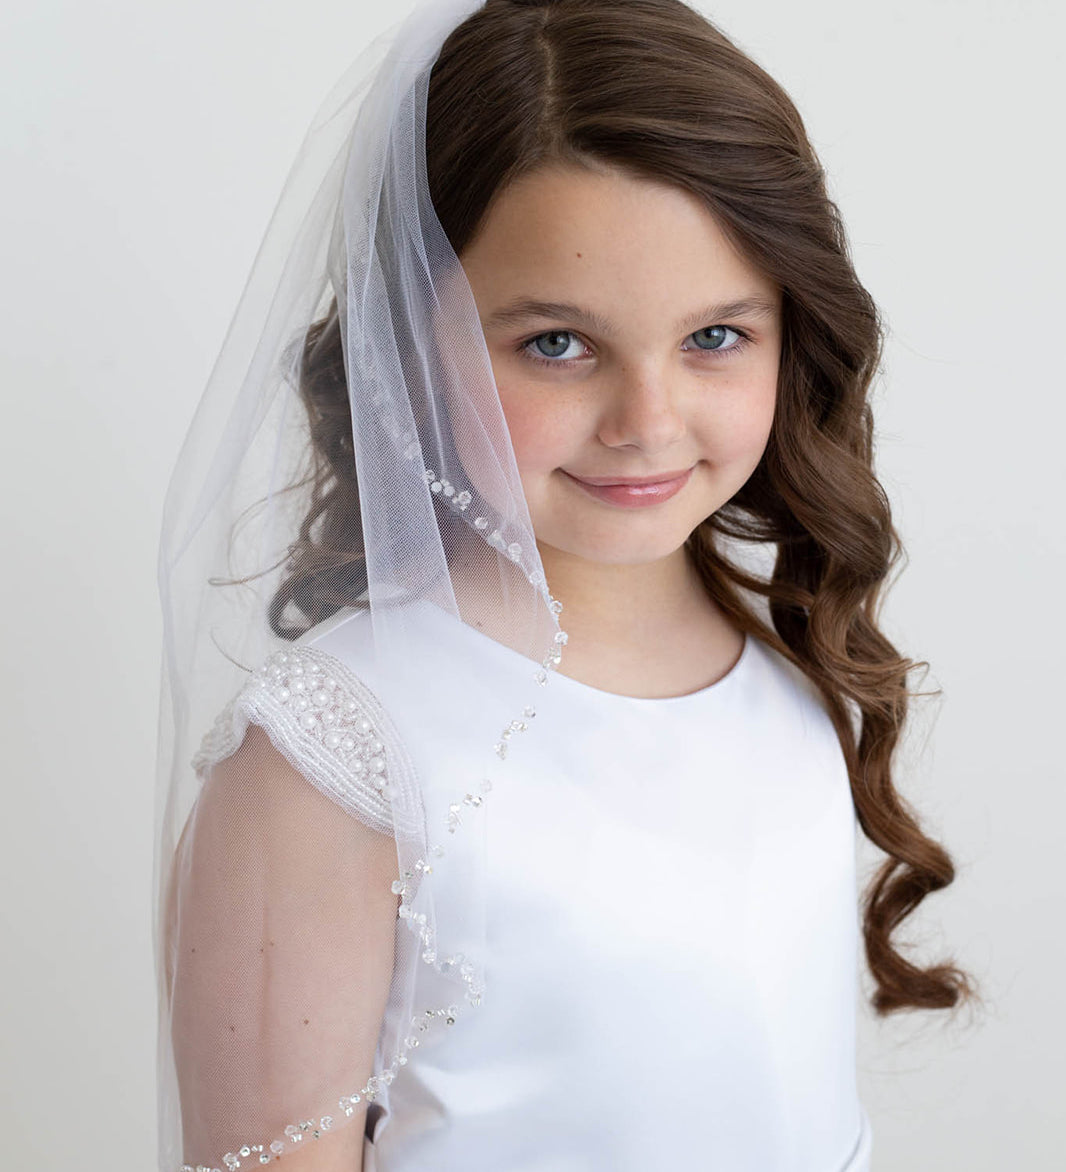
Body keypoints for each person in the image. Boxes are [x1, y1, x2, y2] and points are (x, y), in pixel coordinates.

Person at [153, 0, 978, 1169]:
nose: (646, 420)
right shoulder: (336, 756)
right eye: (555, 343)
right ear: (406, 341)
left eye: (713, 336)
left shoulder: (787, 655)